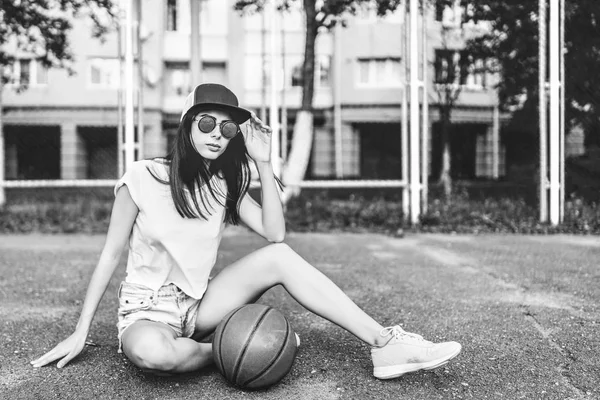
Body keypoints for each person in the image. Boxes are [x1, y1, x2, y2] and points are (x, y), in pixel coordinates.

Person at [30, 83, 461, 380]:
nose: (217, 134)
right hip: (146, 313)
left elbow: (275, 234)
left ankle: (385, 343)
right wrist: (82, 328)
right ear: (186, 125)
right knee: (152, 355)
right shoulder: (143, 177)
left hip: (200, 307)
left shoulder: (225, 185)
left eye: (227, 127)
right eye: (206, 124)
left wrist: (264, 163)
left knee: (280, 257)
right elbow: (109, 254)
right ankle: (234, 349)